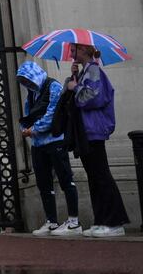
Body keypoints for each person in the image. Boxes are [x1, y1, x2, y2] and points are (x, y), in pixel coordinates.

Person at [65, 44, 130, 237]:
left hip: (94, 130)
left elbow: (93, 98)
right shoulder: (86, 72)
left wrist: (75, 86)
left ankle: (114, 222)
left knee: (101, 176)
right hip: (86, 131)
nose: (71, 54)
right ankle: (101, 220)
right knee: (94, 178)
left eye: (74, 50)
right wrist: (74, 78)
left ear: (84, 50)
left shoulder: (94, 70)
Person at [17, 61, 81, 236]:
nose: (27, 83)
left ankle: (74, 221)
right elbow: (28, 114)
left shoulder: (53, 86)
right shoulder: (31, 94)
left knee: (65, 179)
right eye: (23, 81)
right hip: (38, 144)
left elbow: (54, 112)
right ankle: (51, 221)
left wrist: (34, 129)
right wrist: (25, 129)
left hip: (55, 140)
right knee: (44, 183)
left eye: (27, 79)